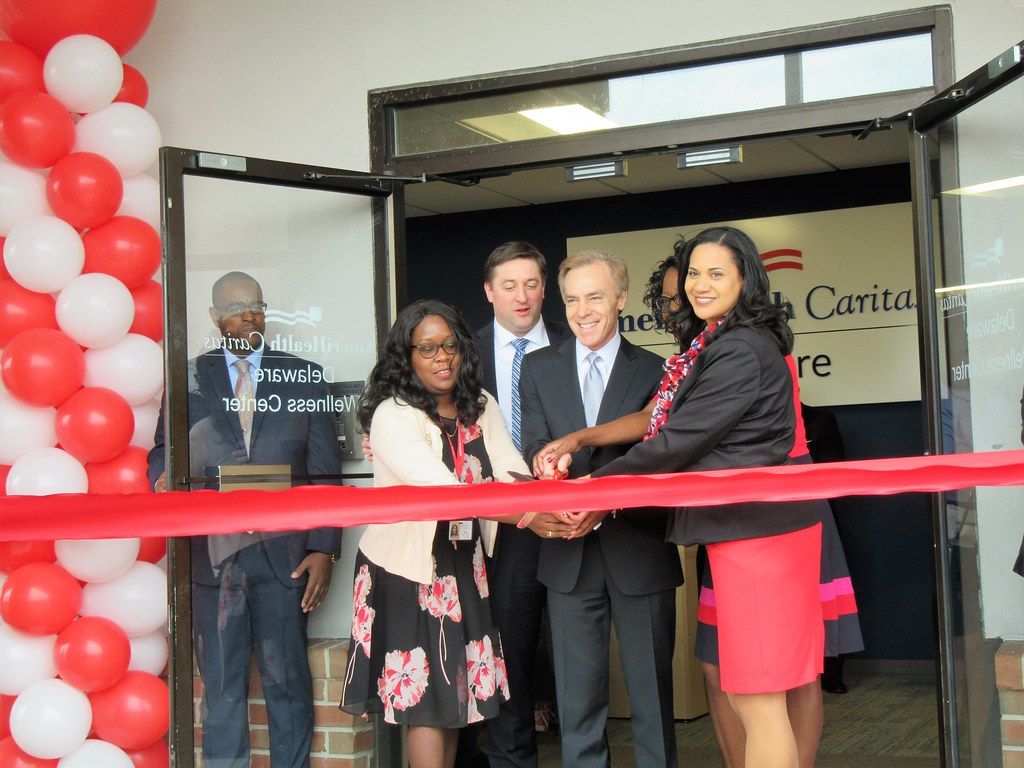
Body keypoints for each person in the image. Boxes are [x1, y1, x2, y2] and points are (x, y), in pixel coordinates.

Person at [536, 242, 863, 767]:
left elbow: (677, 441)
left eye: (716, 272)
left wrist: (593, 485)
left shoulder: (738, 349)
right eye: (694, 272)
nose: (699, 283)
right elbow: (659, 420)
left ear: (745, 279)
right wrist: (580, 442)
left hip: (760, 537)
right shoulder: (720, 342)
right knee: (753, 695)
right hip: (748, 535)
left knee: (758, 700)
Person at [147, 271, 343, 768]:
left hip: (286, 559)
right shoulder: (190, 378)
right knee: (223, 688)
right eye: (237, 307)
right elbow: (161, 451)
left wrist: (324, 547)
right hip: (214, 556)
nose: (250, 314)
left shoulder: (304, 375)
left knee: (288, 685)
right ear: (216, 318)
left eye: (256, 304)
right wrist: (161, 477)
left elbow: (325, 471)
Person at [339, 299, 531, 768]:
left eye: (450, 346)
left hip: (464, 564)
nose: (442, 357)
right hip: (409, 571)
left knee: (454, 705)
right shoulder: (392, 414)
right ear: (405, 356)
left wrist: (545, 495)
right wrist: (531, 516)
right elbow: (447, 493)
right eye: (427, 349)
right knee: (427, 703)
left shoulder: (480, 404)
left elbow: (512, 471)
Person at [518, 250, 682, 768]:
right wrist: (549, 473)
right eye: (571, 299)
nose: (582, 310)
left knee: (654, 703)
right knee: (578, 706)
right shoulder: (539, 367)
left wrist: (604, 503)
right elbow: (538, 444)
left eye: (594, 296)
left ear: (620, 298)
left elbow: (661, 461)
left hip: (638, 550)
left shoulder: (658, 371)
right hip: (568, 556)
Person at [474, 241, 571, 767]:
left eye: (532, 284)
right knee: (507, 649)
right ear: (489, 292)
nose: (522, 296)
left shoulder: (573, 341)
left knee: (573, 651)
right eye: (509, 285)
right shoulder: (462, 353)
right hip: (501, 527)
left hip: (572, 521)